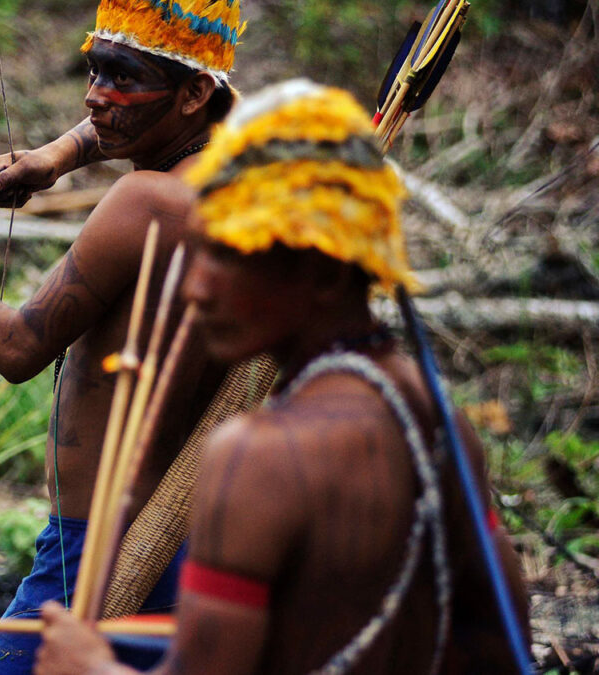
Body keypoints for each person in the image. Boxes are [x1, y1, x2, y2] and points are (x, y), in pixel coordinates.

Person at [33, 79, 530, 675]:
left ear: (321, 275)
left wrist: (89, 667)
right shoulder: (440, 422)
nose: (197, 287)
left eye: (230, 257)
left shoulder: (257, 460)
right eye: (200, 253)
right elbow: (501, 649)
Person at [0, 0, 244, 671]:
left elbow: (17, 347)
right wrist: (56, 157)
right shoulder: (242, 175)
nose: (95, 96)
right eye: (92, 70)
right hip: (180, 531)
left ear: (194, 93)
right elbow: (119, 116)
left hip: (97, 544)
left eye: (121, 77)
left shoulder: (146, 201)